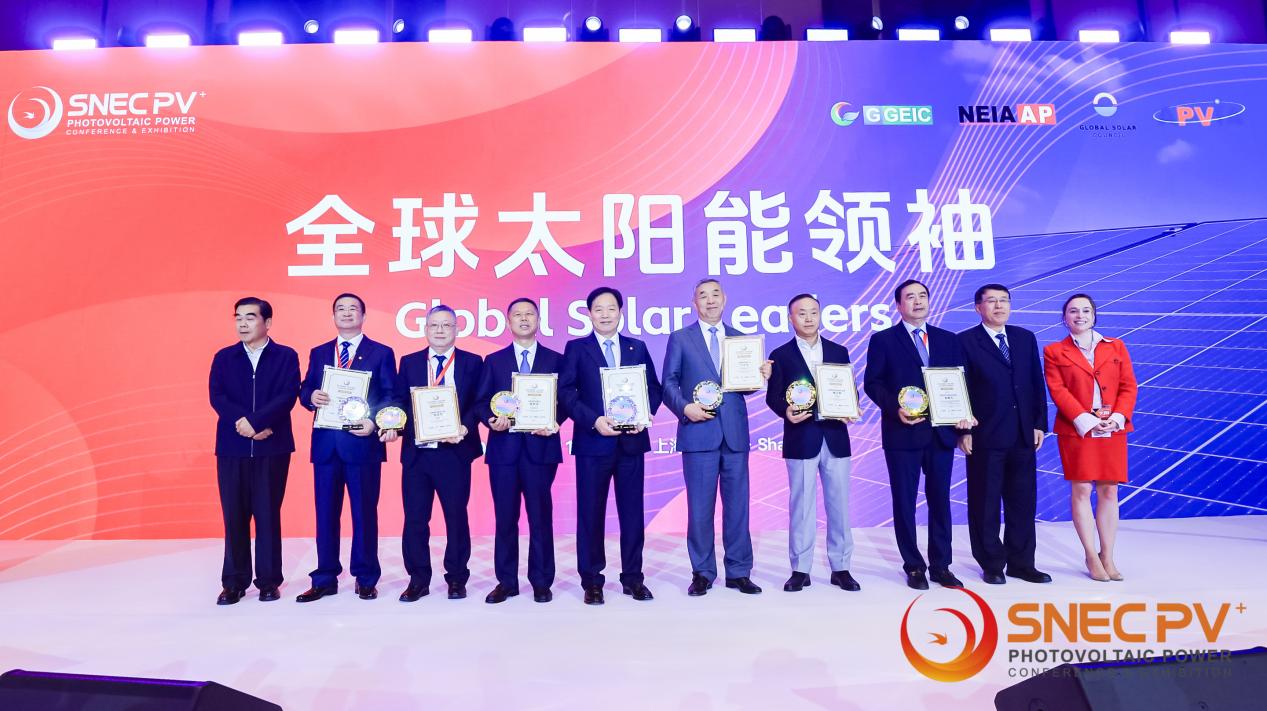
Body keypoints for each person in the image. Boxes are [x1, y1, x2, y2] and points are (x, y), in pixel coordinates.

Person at [863, 279, 975, 590]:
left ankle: (941, 565)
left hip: (942, 435)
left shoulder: (948, 340)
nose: (918, 301)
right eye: (910, 297)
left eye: (923, 295)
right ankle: (913, 566)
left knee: (940, 500)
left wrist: (964, 426)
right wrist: (894, 408)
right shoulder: (883, 340)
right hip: (902, 433)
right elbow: (873, 383)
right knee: (904, 502)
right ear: (898, 305)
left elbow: (961, 384)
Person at [662, 278, 771, 597]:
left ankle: (739, 571)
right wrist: (685, 408)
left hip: (734, 434)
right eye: (702, 296)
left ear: (724, 299)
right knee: (699, 509)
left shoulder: (741, 340)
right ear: (693, 303)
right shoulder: (681, 338)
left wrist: (760, 376)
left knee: (738, 507)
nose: (709, 301)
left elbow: (743, 386)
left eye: (715, 295)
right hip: (698, 433)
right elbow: (668, 382)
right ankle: (702, 572)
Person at [559, 287, 662, 605]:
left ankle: (633, 578)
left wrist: (644, 414)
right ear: (589, 314)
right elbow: (566, 393)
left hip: (632, 442)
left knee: (632, 514)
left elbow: (653, 388)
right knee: (590, 514)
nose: (605, 314)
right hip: (593, 443)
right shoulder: (577, 348)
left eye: (611, 308)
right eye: (598, 309)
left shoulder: (636, 347)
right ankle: (592, 581)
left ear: (620, 312)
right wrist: (594, 420)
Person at [294, 293, 397, 603]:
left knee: (364, 513)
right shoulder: (319, 352)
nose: (347, 313)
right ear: (333, 316)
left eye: (353, 309)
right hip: (327, 445)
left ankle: (365, 577)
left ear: (364, 316)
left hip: (362, 444)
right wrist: (310, 396)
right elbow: (305, 388)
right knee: (325, 514)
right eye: (341, 309)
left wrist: (375, 423)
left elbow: (390, 395)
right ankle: (325, 578)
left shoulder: (381, 352)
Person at [765, 294, 860, 593]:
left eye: (813, 312)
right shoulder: (780, 354)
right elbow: (773, 396)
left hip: (835, 437)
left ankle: (841, 567)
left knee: (839, 505)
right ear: (790, 319)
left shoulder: (839, 351)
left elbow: (850, 390)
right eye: (801, 313)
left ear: (820, 315)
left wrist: (851, 407)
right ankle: (800, 569)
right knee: (802, 506)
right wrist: (785, 411)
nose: (808, 318)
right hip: (801, 437)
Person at [207, 297, 299, 605]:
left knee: (268, 514)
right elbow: (217, 396)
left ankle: (269, 581)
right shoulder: (224, 357)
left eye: (250, 317)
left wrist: (259, 423)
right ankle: (234, 582)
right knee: (234, 515)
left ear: (267, 323)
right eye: (238, 318)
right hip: (232, 447)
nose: (242, 323)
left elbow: (288, 394)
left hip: (272, 447)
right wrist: (244, 424)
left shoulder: (286, 356)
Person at [957, 285, 1051, 585]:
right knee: (984, 503)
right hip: (984, 435)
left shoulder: (1025, 338)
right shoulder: (964, 341)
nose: (999, 306)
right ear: (978, 307)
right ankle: (992, 563)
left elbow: (1036, 383)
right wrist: (964, 431)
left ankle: (1022, 563)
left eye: (1004, 301)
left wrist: (1039, 423)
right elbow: (960, 389)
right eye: (992, 301)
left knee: (1022, 502)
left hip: (1023, 434)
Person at [475, 298, 566, 604]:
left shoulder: (556, 360)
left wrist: (554, 420)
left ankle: (541, 581)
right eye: (517, 315)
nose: (524, 319)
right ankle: (506, 582)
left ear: (538, 320)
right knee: (505, 518)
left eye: (529, 314)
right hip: (504, 450)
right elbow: (481, 401)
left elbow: (566, 399)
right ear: (508, 321)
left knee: (540, 517)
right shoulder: (494, 360)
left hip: (541, 449)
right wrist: (491, 420)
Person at [1044, 294, 1137, 582]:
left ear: (1094, 315)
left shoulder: (1116, 346)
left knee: (1110, 490)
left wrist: (1117, 417)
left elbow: (1129, 386)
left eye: (1086, 310)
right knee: (1082, 489)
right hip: (1078, 429)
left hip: (1113, 427)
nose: (1080, 315)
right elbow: (1058, 391)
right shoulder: (1054, 351)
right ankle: (1090, 555)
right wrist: (1087, 420)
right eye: (1073, 311)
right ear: (1064, 318)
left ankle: (1107, 555)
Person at [393, 305, 483, 602]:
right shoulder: (409, 362)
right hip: (417, 454)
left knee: (456, 517)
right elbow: (399, 402)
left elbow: (479, 403)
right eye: (434, 325)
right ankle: (418, 579)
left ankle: (456, 578)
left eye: (446, 325)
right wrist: (392, 423)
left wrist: (464, 427)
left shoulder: (472, 362)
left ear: (457, 329)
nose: (440, 330)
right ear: (425, 329)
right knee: (415, 519)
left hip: (454, 452)